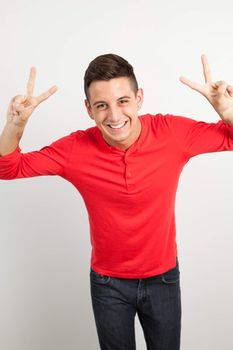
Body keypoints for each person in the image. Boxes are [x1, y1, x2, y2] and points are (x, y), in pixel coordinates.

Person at [0, 53, 233, 350]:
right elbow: (7, 168)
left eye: (123, 101)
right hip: (108, 284)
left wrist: (227, 111)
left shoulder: (172, 133)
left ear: (139, 98)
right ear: (89, 109)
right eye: (101, 105)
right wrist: (15, 126)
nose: (114, 115)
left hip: (163, 280)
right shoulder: (75, 149)